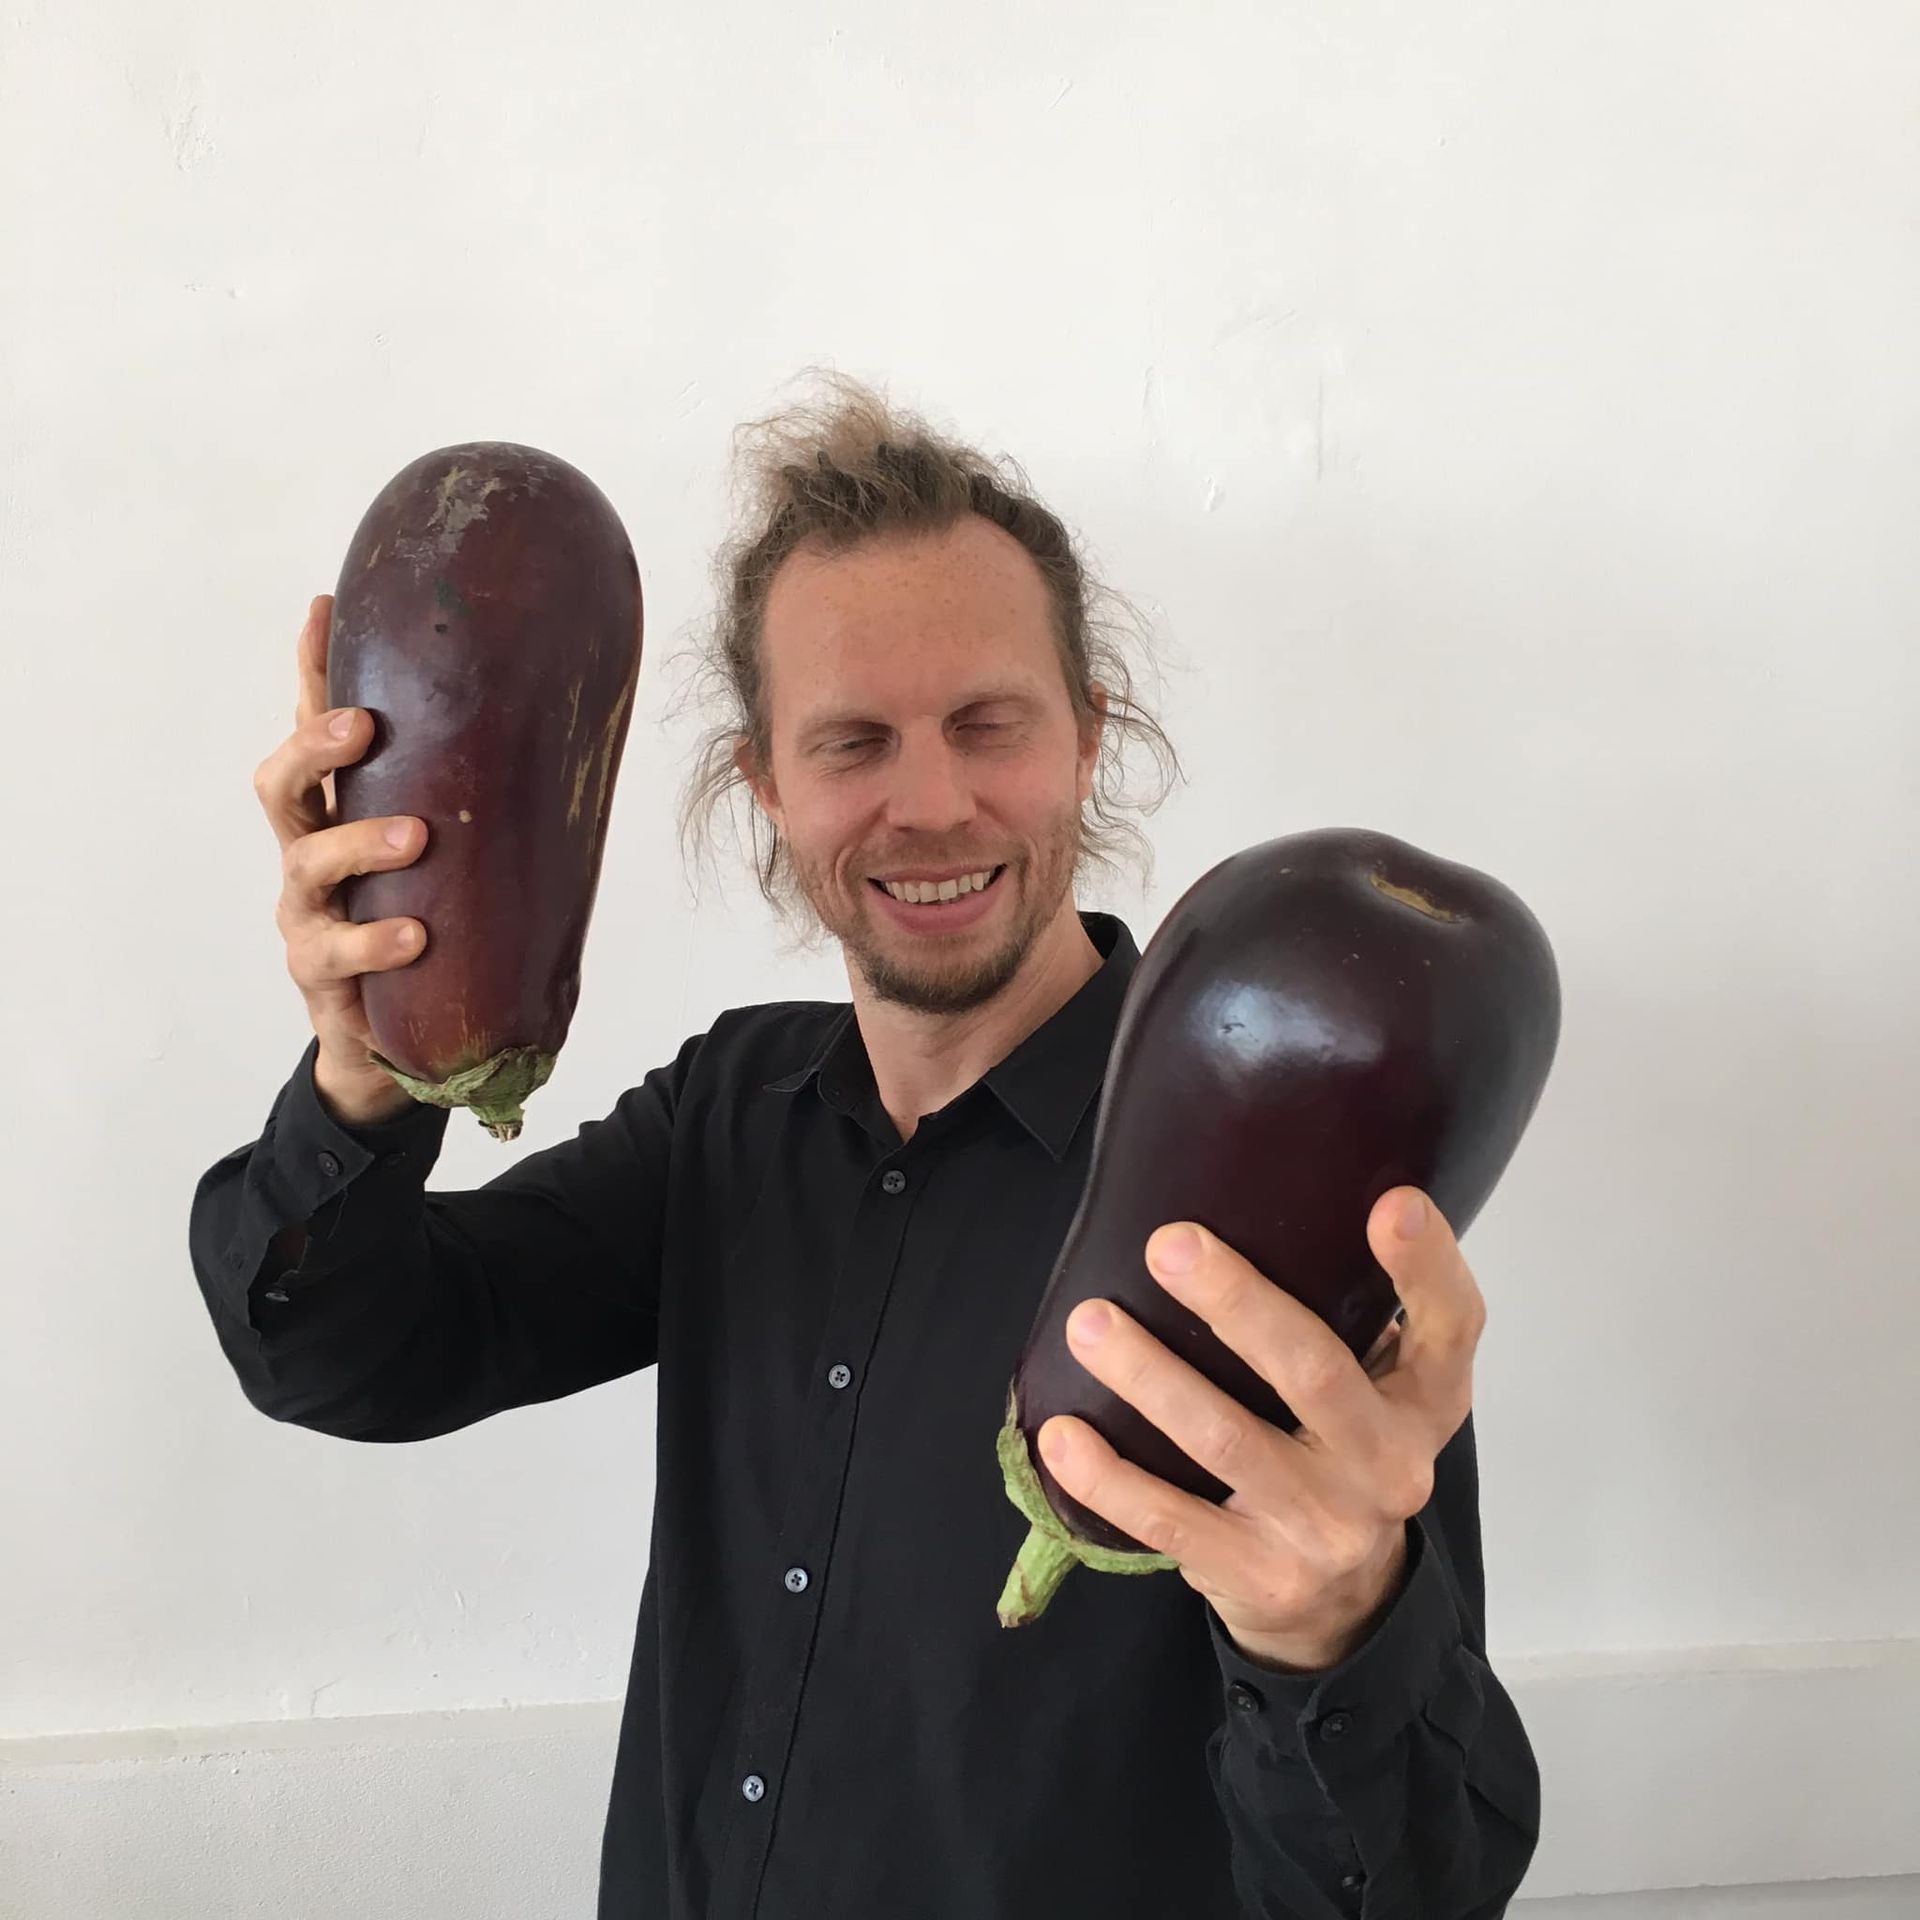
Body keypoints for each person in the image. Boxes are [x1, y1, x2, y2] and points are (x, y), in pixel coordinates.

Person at [188, 374, 1541, 1918]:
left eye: (989, 724)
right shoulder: (729, 1112)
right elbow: (347, 1356)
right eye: (851, 744)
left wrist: (1339, 1625)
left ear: (1088, 740)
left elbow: (1415, 1891)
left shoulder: (1276, 1185)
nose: (932, 802)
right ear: (764, 783)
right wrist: (364, 1071)